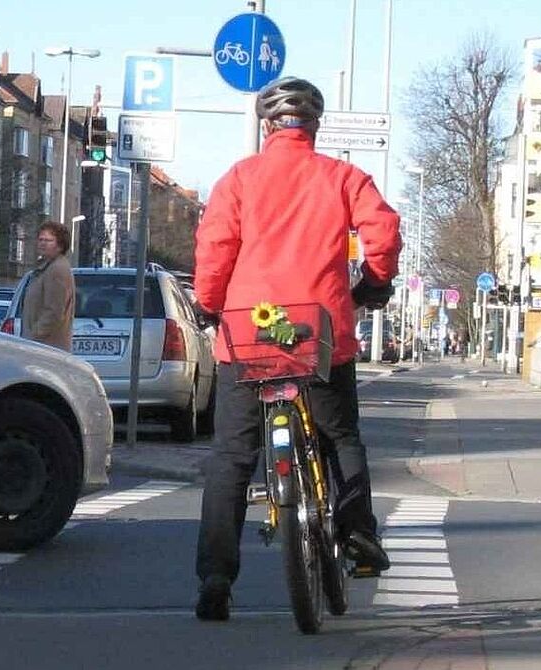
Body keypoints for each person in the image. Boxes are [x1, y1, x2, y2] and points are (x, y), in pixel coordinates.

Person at [191, 77, 402, 622]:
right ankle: (358, 535)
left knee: (233, 459)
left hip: (247, 335)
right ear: (314, 126)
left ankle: (216, 577)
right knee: (339, 437)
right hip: (320, 333)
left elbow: (215, 249)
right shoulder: (342, 177)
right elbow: (382, 231)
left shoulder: (239, 179)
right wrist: (374, 284)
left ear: (267, 126)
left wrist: (211, 304)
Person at [21, 222, 76, 351]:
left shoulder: (57, 269)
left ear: (60, 245)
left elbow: (54, 312)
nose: (43, 243)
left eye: (49, 240)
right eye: (40, 239)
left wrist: (33, 337)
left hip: (48, 347)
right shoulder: (45, 268)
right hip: (42, 346)